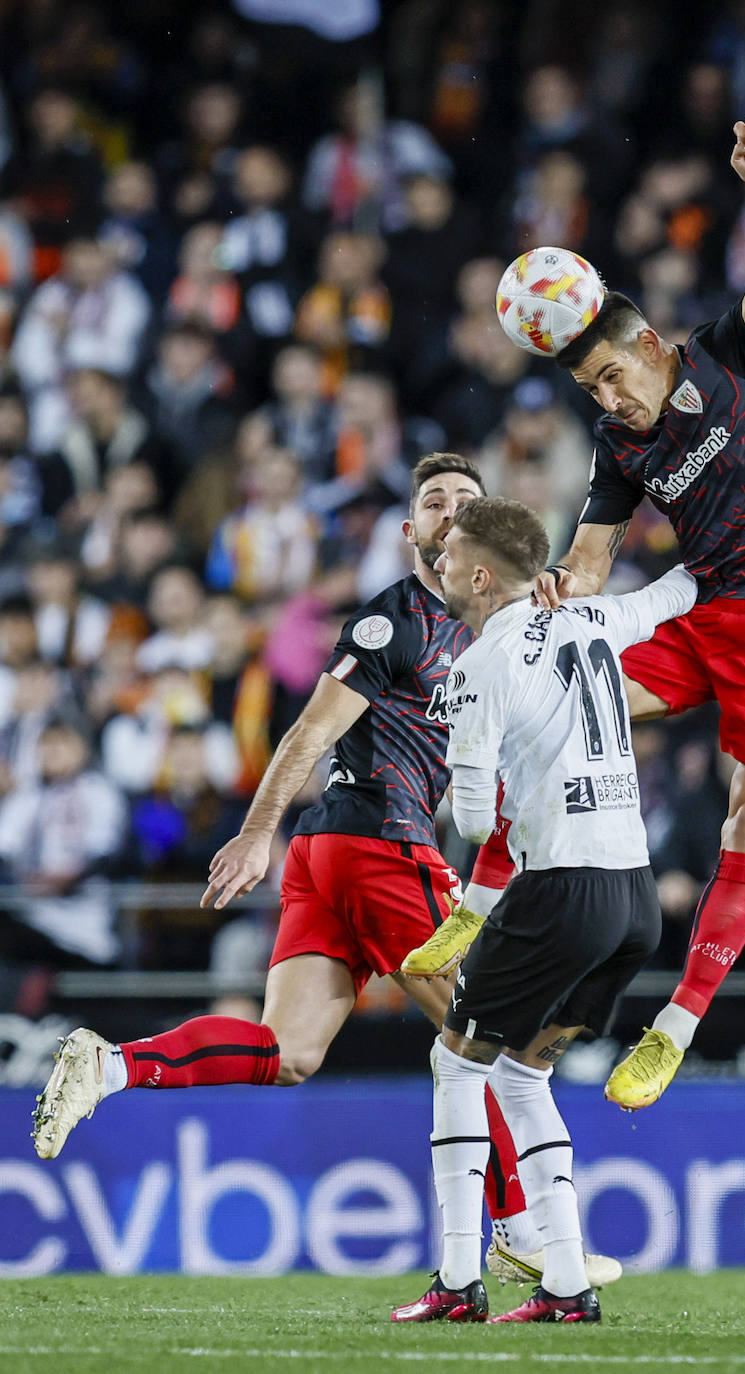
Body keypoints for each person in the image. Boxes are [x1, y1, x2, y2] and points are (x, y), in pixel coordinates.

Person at [30, 451, 617, 1293]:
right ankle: (521, 1231)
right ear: (412, 533)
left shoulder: (500, 628)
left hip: (338, 852)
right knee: (482, 1037)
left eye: (465, 501)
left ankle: (112, 1065)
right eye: (434, 503)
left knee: (292, 1050)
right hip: (377, 842)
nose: (450, 512)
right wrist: (253, 833)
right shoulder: (393, 622)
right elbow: (308, 731)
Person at [499, 117, 745, 1110]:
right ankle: (483, 893)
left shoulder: (731, 356)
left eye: (614, 376)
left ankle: (674, 1026)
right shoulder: (621, 448)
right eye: (590, 391)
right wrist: (555, 585)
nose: (609, 399)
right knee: (555, 706)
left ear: (651, 349)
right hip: (709, 619)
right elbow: (590, 552)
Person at [391, 497, 696, 1324]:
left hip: (559, 887)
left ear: (482, 574)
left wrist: (467, 739)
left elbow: (468, 819)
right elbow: (682, 588)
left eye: (449, 554)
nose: (440, 565)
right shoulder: (595, 615)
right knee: (523, 1076)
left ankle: (456, 1280)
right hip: (632, 896)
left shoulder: (478, 667)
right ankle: (566, 1285)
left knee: (457, 1064)